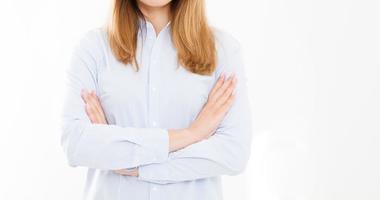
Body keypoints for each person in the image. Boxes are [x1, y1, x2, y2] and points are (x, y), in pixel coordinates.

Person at [60, 0, 252, 199]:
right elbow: (76, 144)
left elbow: (233, 154)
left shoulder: (223, 50)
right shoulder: (93, 48)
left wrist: (131, 165)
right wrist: (192, 134)